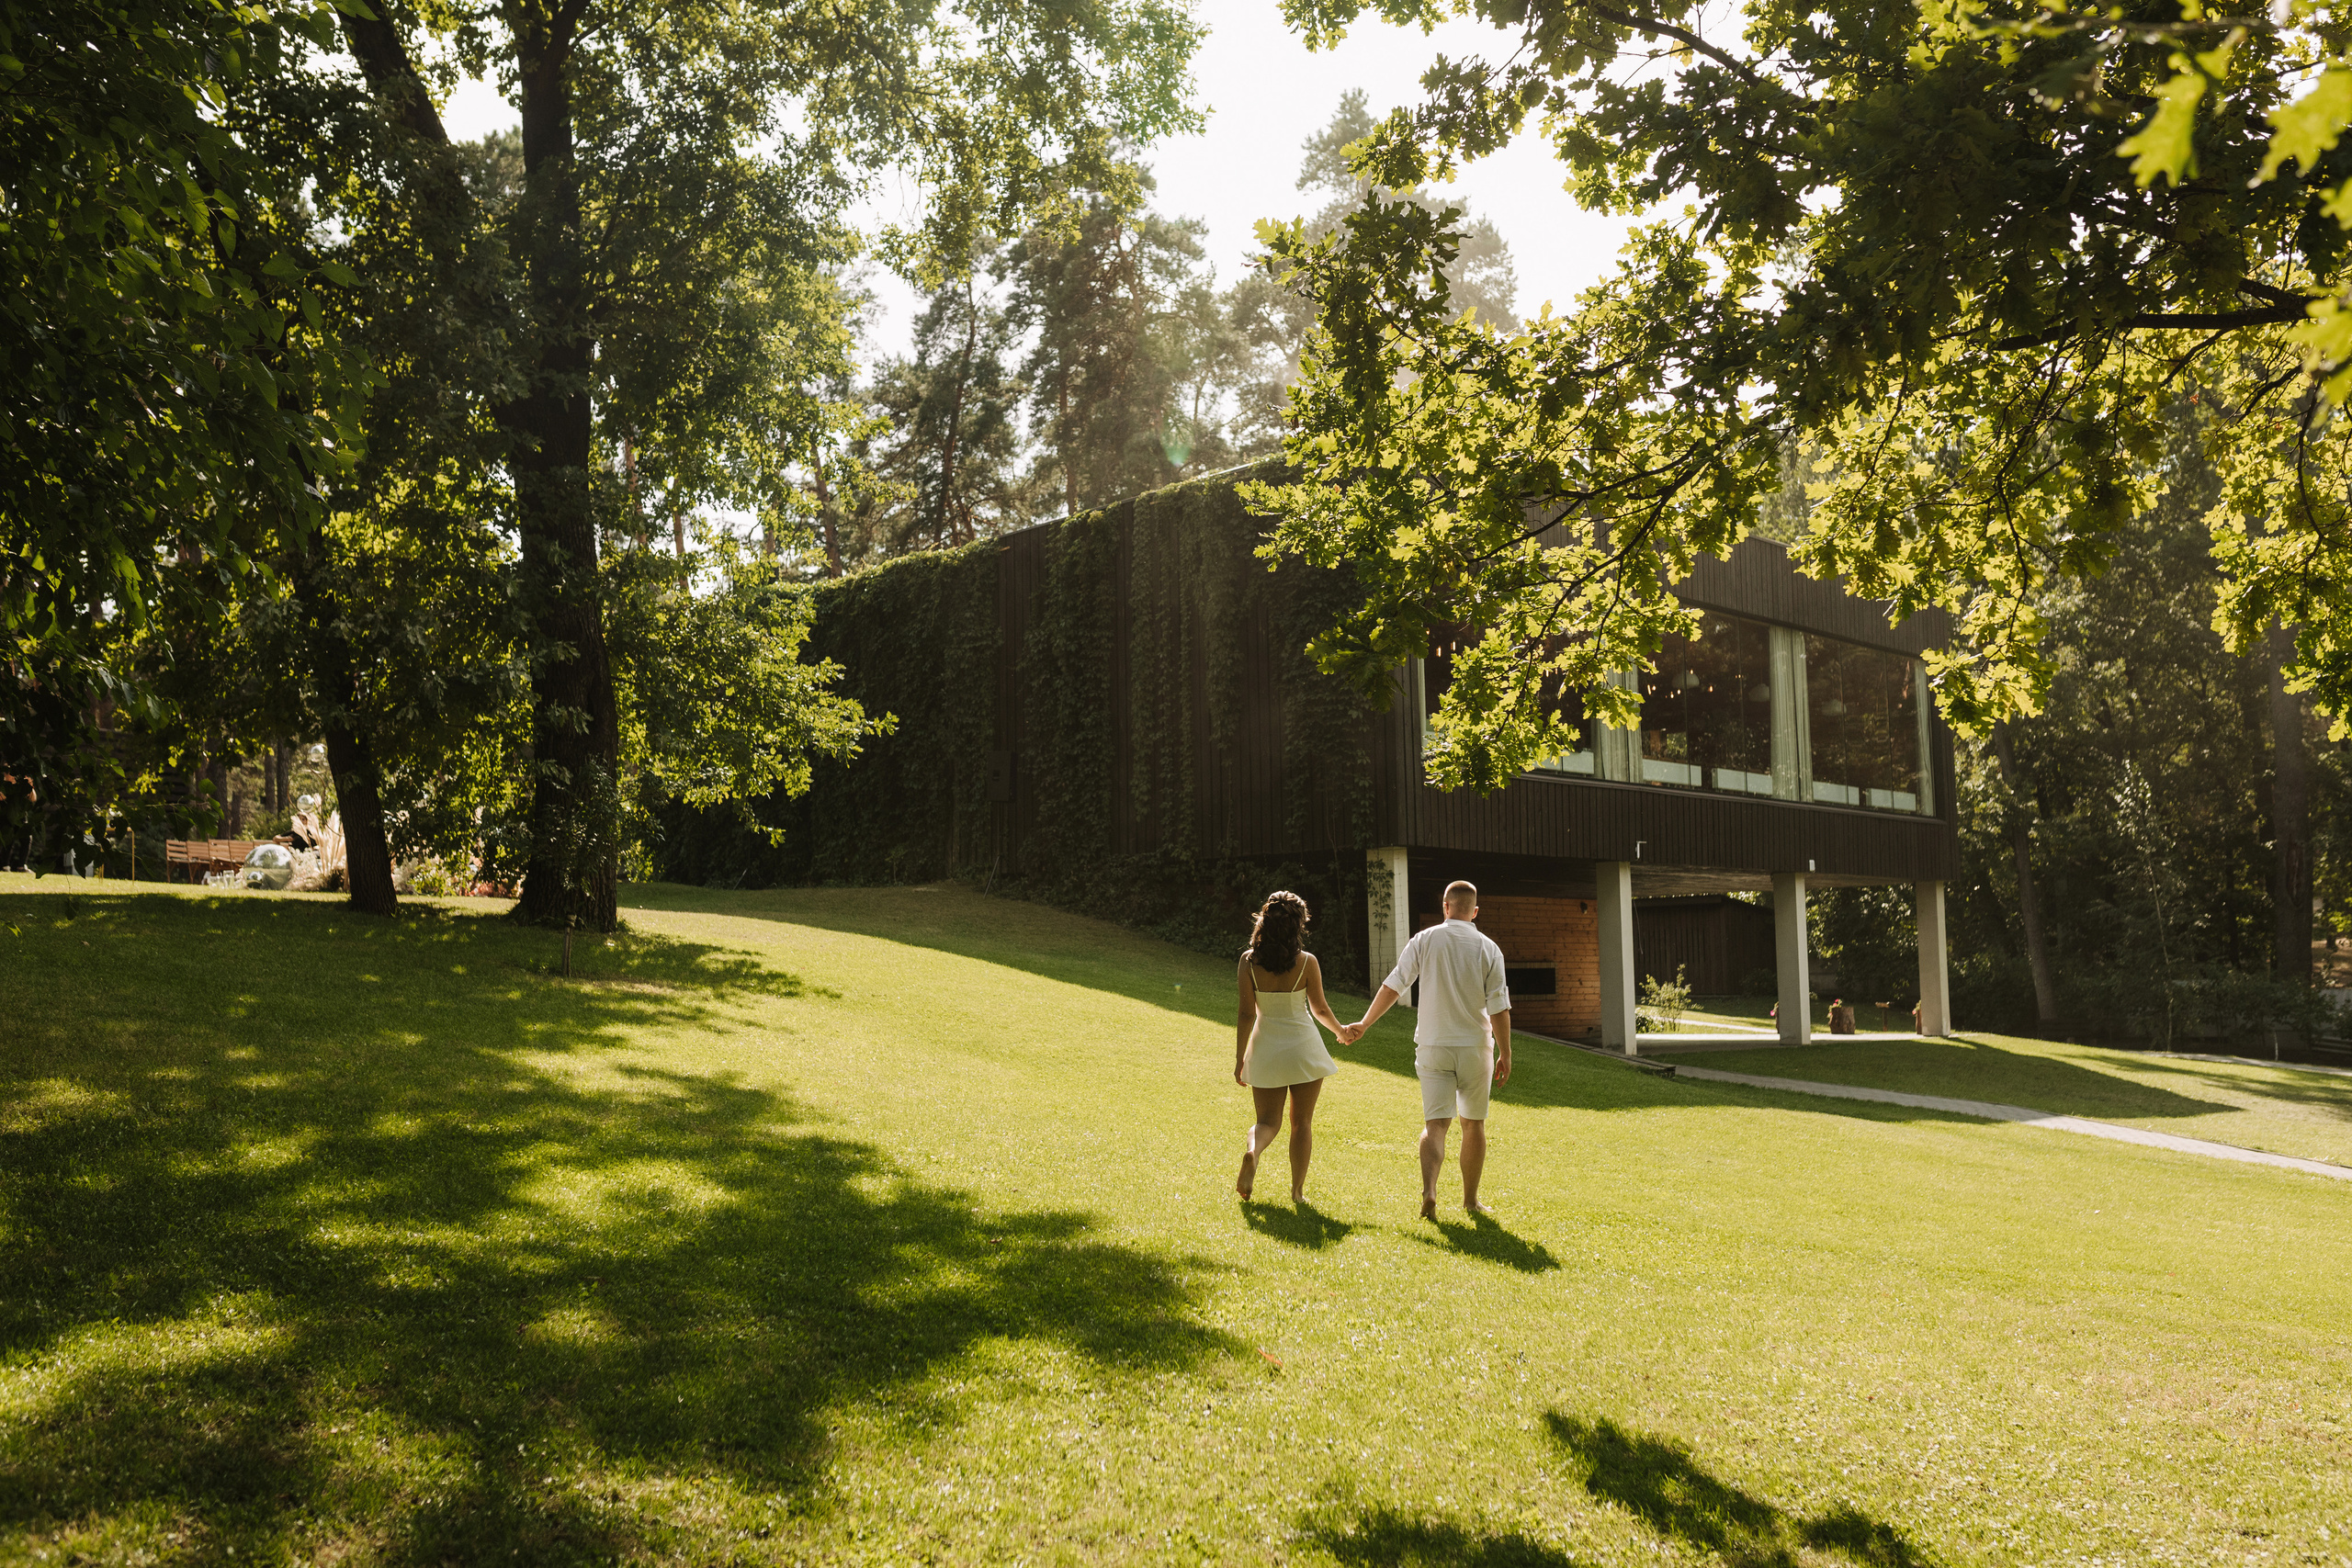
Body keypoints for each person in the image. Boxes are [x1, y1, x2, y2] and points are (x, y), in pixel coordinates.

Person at [1340, 879, 1511, 1219]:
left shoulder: (1424, 939)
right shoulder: (1489, 948)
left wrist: (1365, 1022)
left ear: (1445, 907)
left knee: (1436, 1125)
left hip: (1433, 1045)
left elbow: (1394, 984)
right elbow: (1498, 1007)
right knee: (1473, 1125)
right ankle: (1470, 1201)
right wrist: (1505, 1052)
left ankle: (1430, 1191)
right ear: (1474, 911)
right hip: (1475, 1047)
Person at [1233, 890, 1348, 1203]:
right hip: (1303, 1049)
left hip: (1266, 1047)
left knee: (1267, 1122)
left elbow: (1246, 1014)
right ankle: (1297, 1192)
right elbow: (1320, 1009)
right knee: (1302, 1123)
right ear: (1298, 925)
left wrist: (1240, 1059)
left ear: (1265, 921)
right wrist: (1341, 1031)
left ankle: (1253, 1151)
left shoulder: (1248, 962)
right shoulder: (1307, 962)